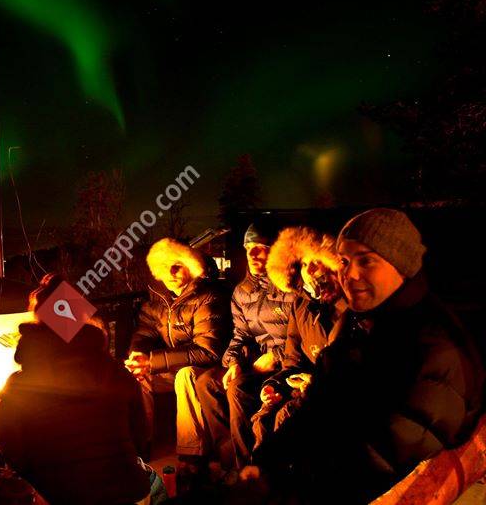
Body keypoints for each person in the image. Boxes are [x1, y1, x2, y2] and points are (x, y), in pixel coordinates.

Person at [245, 209, 485, 504]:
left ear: (402, 265)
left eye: (367, 260)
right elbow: (319, 402)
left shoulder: (436, 346)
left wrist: (287, 488)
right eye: (344, 262)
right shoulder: (359, 324)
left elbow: (384, 457)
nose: (350, 274)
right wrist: (266, 463)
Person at [0, 274, 152, 505]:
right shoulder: (116, 372)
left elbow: (13, 453)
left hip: (61, 494)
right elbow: (142, 437)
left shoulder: (20, 385)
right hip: (126, 490)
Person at [193, 222, 295, 470]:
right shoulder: (242, 291)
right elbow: (240, 334)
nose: (253, 254)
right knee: (207, 383)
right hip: (257, 361)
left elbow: (302, 336)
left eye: (261, 248)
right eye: (249, 248)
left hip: (287, 362)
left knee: (237, 389)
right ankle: (229, 458)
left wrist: (276, 355)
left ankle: (248, 469)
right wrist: (233, 361)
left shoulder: (290, 288)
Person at [125, 238, 230, 476]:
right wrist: (138, 353)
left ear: (190, 265)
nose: (171, 272)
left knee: (185, 376)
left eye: (177, 265)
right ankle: (141, 448)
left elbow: (208, 351)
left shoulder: (207, 296)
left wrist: (153, 361)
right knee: (138, 376)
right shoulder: (160, 298)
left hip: (207, 367)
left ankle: (192, 456)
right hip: (172, 363)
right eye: (165, 266)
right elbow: (144, 331)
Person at [251, 227, 347, 449]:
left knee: (286, 418)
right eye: (304, 263)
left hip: (331, 397)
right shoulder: (301, 305)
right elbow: (292, 361)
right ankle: (251, 468)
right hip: (303, 389)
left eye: (316, 261)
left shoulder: (349, 306)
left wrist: (314, 383)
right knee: (262, 418)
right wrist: (273, 386)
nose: (310, 269)